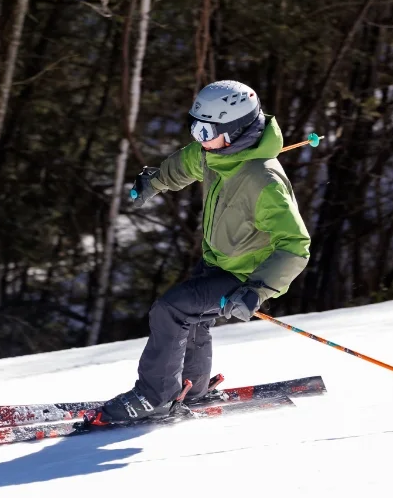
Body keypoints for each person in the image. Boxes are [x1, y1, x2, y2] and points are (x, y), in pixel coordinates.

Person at [96, 80, 311, 424]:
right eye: (194, 127)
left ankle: (156, 397)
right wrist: (153, 181)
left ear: (235, 130)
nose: (198, 137)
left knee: (171, 310)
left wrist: (258, 290)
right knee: (192, 320)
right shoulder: (214, 154)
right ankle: (189, 389)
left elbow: (295, 246)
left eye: (205, 129)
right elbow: (184, 164)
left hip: (245, 276)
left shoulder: (263, 180)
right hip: (219, 261)